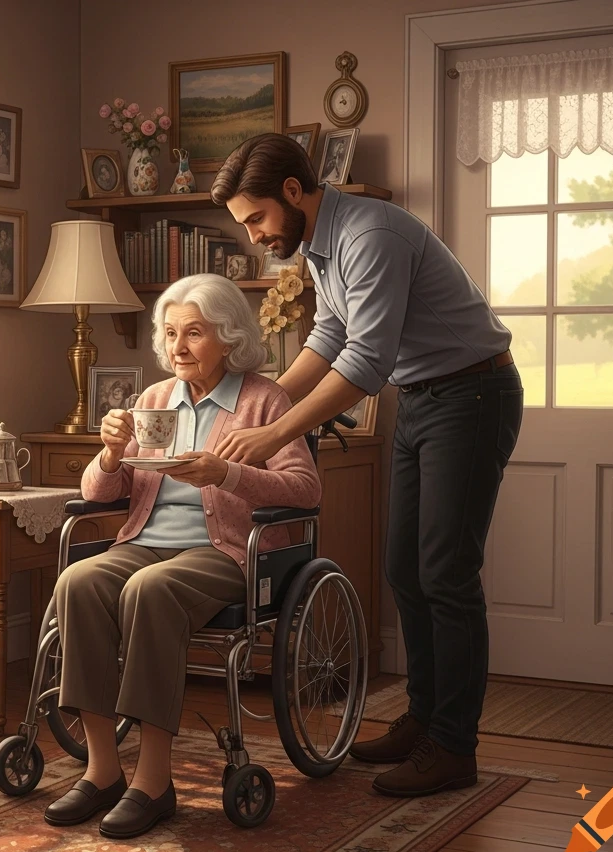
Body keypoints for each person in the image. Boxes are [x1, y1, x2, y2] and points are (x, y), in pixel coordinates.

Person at [209, 133, 522, 798]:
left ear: (295, 192)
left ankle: (454, 747)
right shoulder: (323, 243)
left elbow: (366, 364)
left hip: (472, 396)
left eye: (257, 218)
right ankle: (424, 723)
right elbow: (330, 335)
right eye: (245, 225)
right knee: (406, 571)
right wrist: (254, 408)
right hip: (429, 397)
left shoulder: (370, 235)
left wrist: (272, 436)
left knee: (447, 574)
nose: (254, 235)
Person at [44, 273, 322, 838]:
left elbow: (305, 490)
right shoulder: (152, 400)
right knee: (78, 580)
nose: (178, 346)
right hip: (145, 540)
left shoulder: (265, 400)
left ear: (228, 335)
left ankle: (153, 782)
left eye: (194, 333)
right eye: (171, 333)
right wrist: (110, 453)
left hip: (222, 550)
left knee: (151, 589)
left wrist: (229, 473)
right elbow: (100, 495)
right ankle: (102, 770)